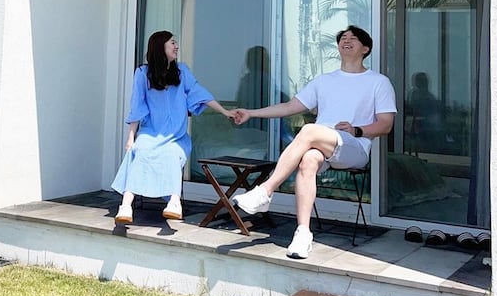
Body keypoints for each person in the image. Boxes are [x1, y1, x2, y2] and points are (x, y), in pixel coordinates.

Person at [232, 25, 396, 259]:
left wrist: (357, 130)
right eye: (343, 38)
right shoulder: (324, 81)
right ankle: (303, 233)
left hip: (355, 147)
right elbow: (289, 107)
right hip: (323, 145)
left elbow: (386, 124)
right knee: (308, 159)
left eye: (353, 38)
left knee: (309, 130)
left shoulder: (378, 82)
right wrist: (250, 113)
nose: (346, 40)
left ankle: (266, 190)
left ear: (366, 48)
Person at [112, 30, 234, 224]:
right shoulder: (142, 74)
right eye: (172, 43)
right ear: (160, 47)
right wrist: (130, 138)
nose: (176, 46)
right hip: (150, 133)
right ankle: (126, 206)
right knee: (140, 151)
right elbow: (137, 106)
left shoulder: (182, 71)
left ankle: (174, 203)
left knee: (172, 154)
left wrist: (225, 112)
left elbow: (200, 94)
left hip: (176, 136)